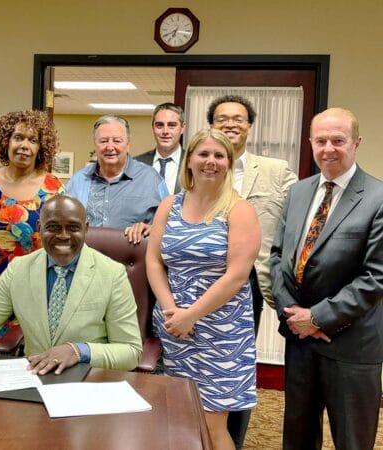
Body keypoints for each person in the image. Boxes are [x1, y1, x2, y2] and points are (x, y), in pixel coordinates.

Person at [271, 107, 383, 450]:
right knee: (298, 438)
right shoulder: (299, 192)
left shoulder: (378, 198)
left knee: (352, 440)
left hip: (352, 345)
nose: (328, 149)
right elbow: (278, 258)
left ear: (357, 143)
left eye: (338, 140)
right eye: (320, 141)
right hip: (301, 342)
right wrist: (293, 314)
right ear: (310, 143)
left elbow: (375, 276)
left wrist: (317, 318)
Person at [147, 128, 260, 450]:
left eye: (219, 155)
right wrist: (172, 311)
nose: (211, 161)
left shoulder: (239, 210)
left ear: (229, 162)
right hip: (173, 327)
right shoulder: (170, 205)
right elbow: (154, 261)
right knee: (179, 417)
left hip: (220, 332)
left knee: (211, 423)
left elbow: (237, 276)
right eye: (204, 154)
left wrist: (191, 315)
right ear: (190, 160)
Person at [0, 195, 142, 381]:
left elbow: (130, 351)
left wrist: (79, 351)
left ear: (86, 229)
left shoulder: (112, 273)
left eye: (73, 228)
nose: (63, 236)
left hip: (87, 382)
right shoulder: (19, 269)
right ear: (40, 228)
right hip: (33, 379)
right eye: (53, 228)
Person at [207, 94, 298, 449]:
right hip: (202, 280)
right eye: (222, 118)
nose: (230, 124)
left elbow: (301, 217)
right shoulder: (200, 166)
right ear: (212, 125)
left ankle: (233, 439)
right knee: (201, 361)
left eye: (239, 119)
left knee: (237, 365)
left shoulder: (276, 170)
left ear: (250, 126)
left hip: (252, 282)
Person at [0, 110, 64, 349]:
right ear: (6, 141)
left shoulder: (53, 189)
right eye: (18, 137)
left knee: (30, 364)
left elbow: (61, 248)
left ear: (41, 147)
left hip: (35, 292)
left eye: (32, 140)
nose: (24, 146)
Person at [66, 115, 168, 243]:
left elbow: (170, 227)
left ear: (128, 145)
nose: (110, 147)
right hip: (86, 260)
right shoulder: (78, 181)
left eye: (117, 141)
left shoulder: (151, 179)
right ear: (95, 145)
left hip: (133, 259)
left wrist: (152, 228)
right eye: (103, 141)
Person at [135, 102, 186, 195]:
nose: (165, 131)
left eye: (172, 125)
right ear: (153, 128)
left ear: (182, 128)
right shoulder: (136, 164)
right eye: (159, 125)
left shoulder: (193, 163)